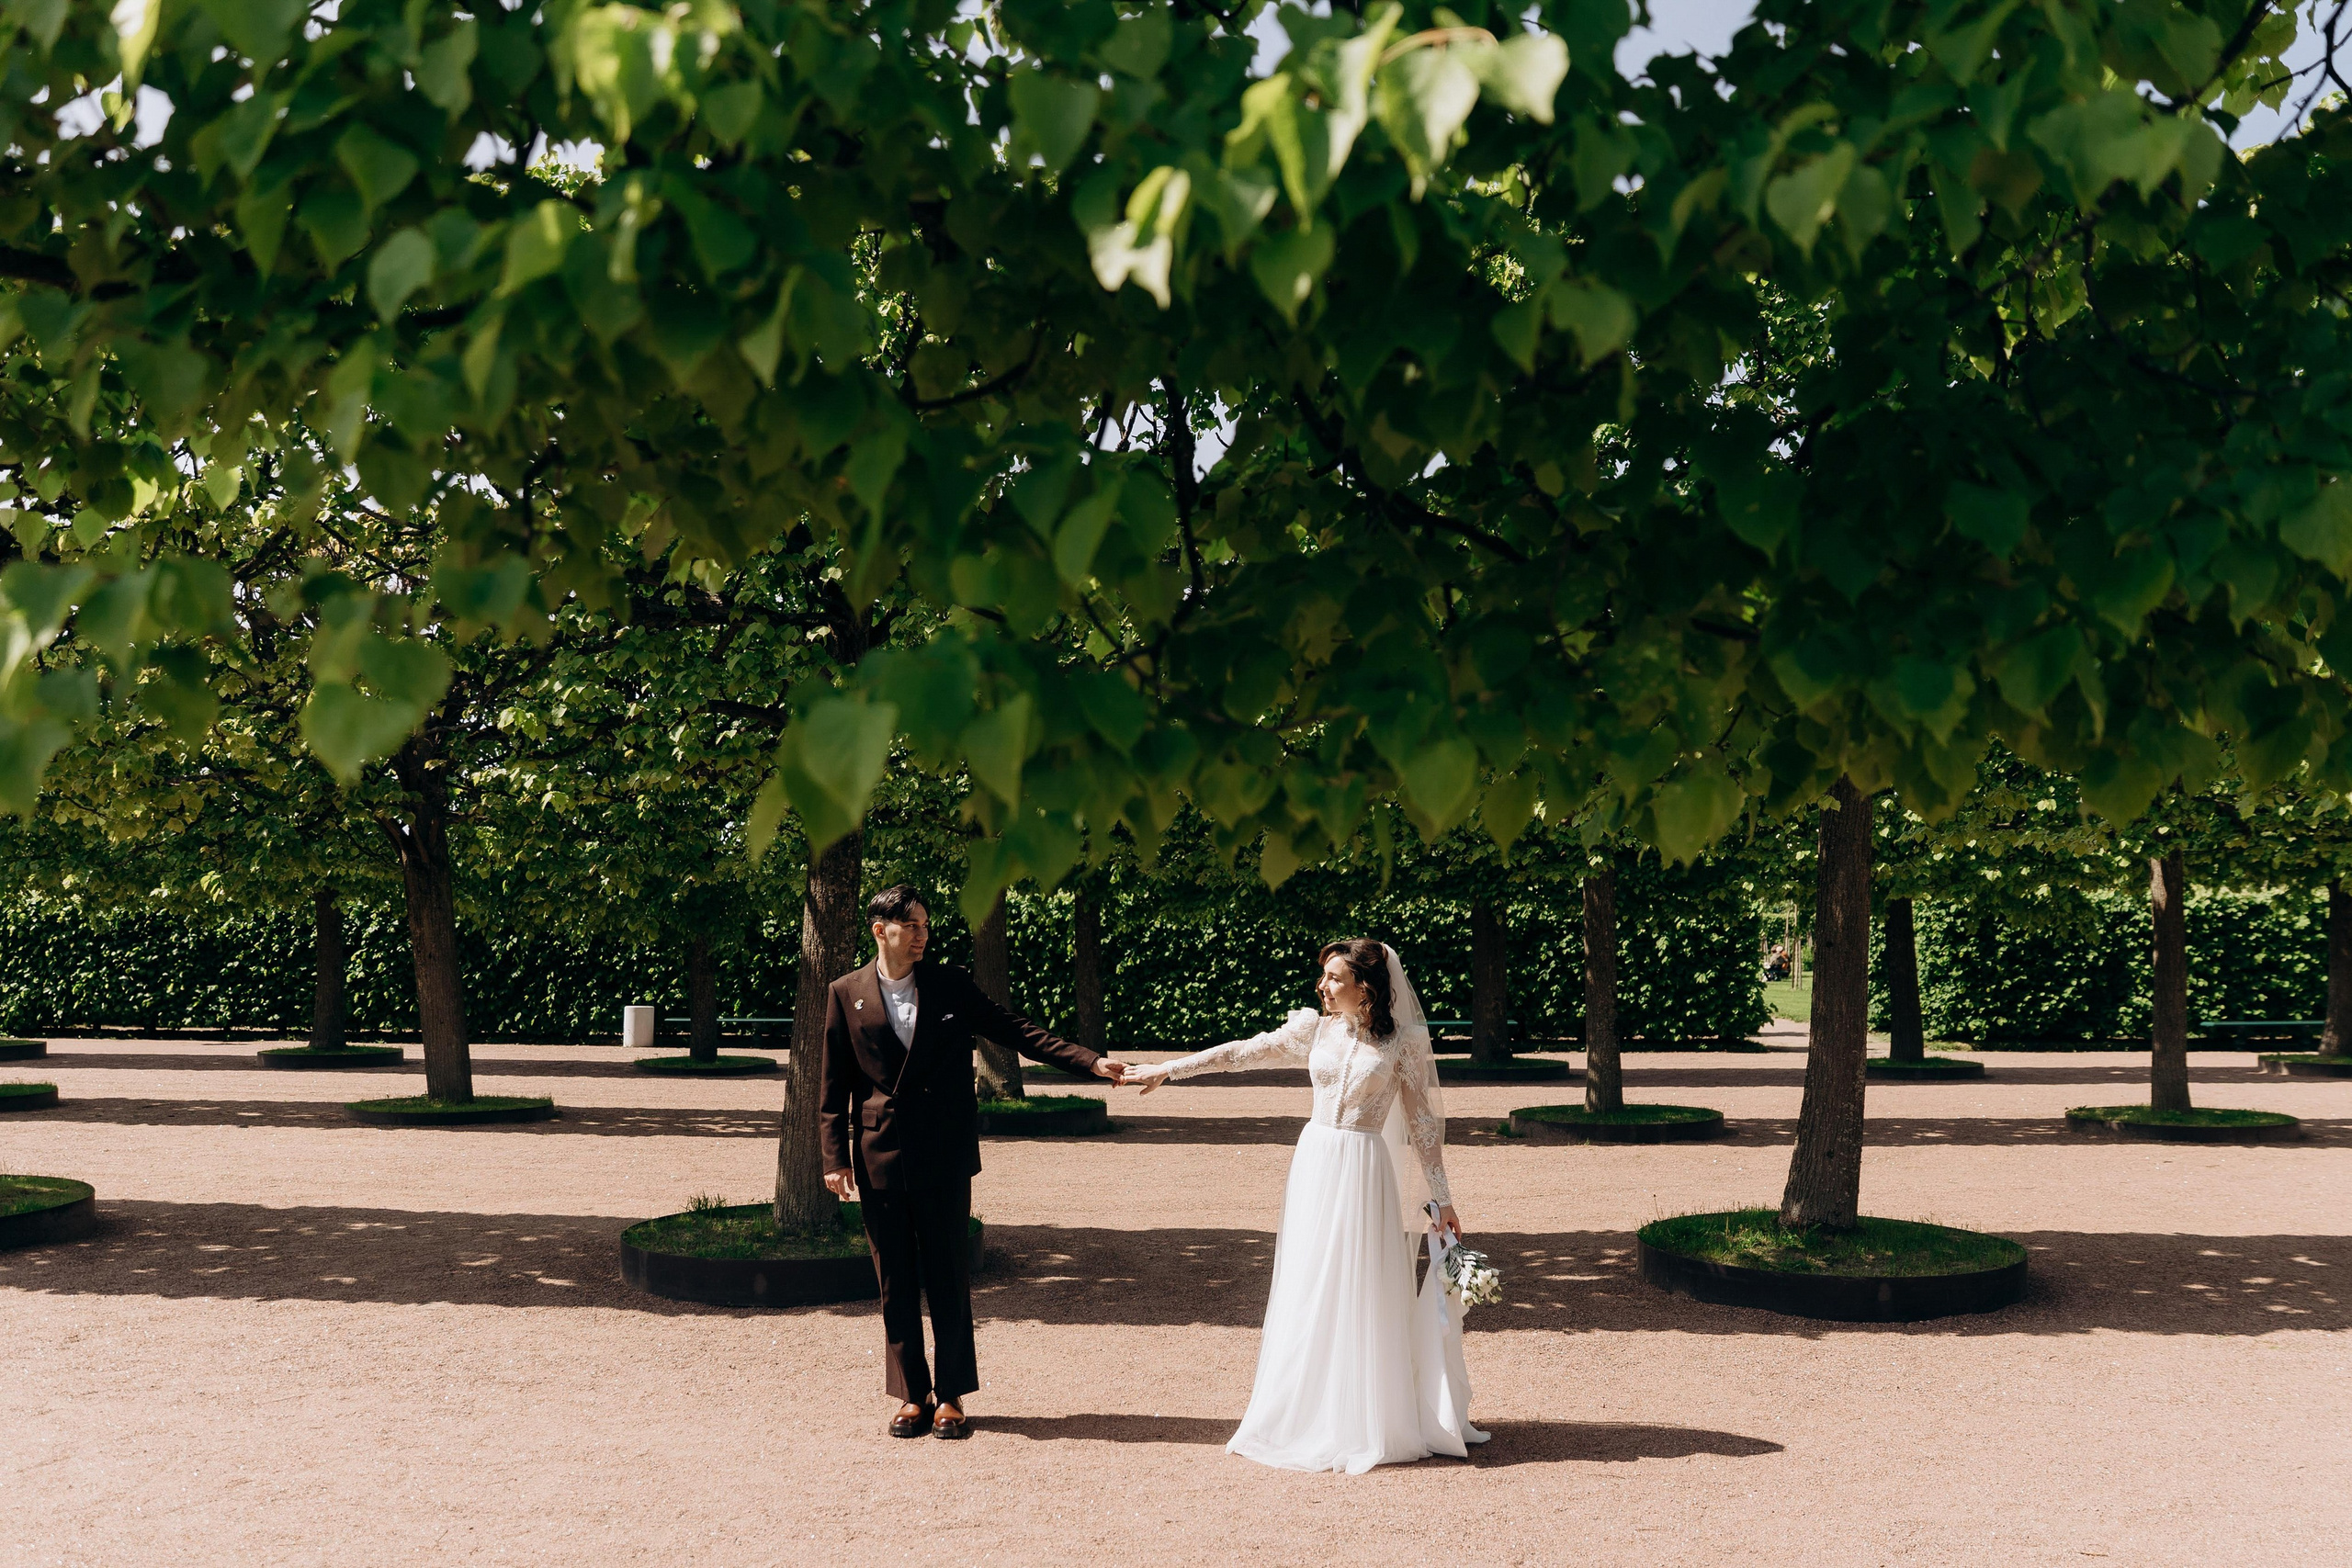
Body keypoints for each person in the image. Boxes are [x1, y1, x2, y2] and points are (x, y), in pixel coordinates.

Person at [1125, 939, 1487, 1472]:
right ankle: (1303, 1411)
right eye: (1323, 977)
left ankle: (1362, 1416)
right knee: (1309, 1280)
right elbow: (1241, 1053)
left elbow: (1423, 1127)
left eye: (1335, 978)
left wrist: (1443, 1199)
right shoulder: (1314, 1030)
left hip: (1364, 1169)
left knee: (1361, 1283)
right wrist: (1169, 1069)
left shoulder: (1404, 1043)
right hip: (1316, 1163)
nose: (1323, 986)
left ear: (1367, 987)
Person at [819, 884, 1129, 1440]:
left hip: (943, 1152)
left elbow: (1016, 1031)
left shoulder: (950, 984)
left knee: (947, 1273)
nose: (923, 935)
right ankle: (912, 1393)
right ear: (880, 930)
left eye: (926, 924)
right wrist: (834, 1157)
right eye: (912, 925)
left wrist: (1090, 1062)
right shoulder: (846, 993)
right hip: (878, 1154)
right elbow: (833, 1083)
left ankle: (951, 1394)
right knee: (894, 1280)